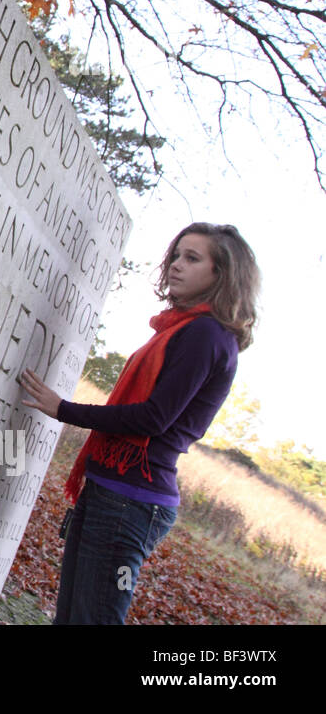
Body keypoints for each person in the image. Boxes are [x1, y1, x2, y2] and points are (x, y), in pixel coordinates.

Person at [18, 222, 260, 624]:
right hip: (113, 489)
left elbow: (153, 418)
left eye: (192, 258)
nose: (176, 265)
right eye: (176, 255)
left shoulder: (206, 335)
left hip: (131, 500)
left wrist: (64, 409)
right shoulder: (184, 329)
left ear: (221, 275)